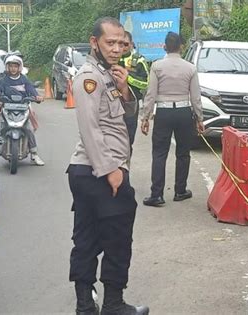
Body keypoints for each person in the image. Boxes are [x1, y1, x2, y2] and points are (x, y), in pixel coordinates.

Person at [67, 17, 148, 315]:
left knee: (86, 238)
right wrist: (110, 170)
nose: (116, 49)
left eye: (120, 43)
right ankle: (112, 305)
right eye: (109, 42)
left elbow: (124, 116)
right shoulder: (89, 76)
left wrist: (124, 89)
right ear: (94, 42)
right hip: (100, 169)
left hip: (90, 171)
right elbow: (90, 127)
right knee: (116, 239)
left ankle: (85, 307)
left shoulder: (107, 74)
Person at [141, 32, 204, 207]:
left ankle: (157, 194)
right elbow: (196, 97)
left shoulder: (157, 66)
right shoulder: (190, 68)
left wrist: (145, 117)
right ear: (181, 47)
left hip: (164, 112)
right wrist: (199, 118)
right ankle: (180, 190)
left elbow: (151, 94)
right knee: (183, 153)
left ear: (165, 47)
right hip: (184, 112)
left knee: (159, 153)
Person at [0, 55, 44, 168]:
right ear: (7, 67)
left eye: (15, 66)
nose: (13, 68)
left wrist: (37, 96)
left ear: (20, 67)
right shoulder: (3, 79)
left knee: (29, 127)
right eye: (11, 66)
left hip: (22, 106)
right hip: (5, 106)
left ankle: (34, 154)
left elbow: (31, 90)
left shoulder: (24, 79)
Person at [120, 31, 149, 150]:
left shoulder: (139, 60)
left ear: (131, 44)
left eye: (125, 44)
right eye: (119, 44)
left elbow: (146, 83)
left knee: (127, 142)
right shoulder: (110, 59)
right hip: (110, 105)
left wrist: (128, 79)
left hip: (131, 106)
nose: (122, 47)